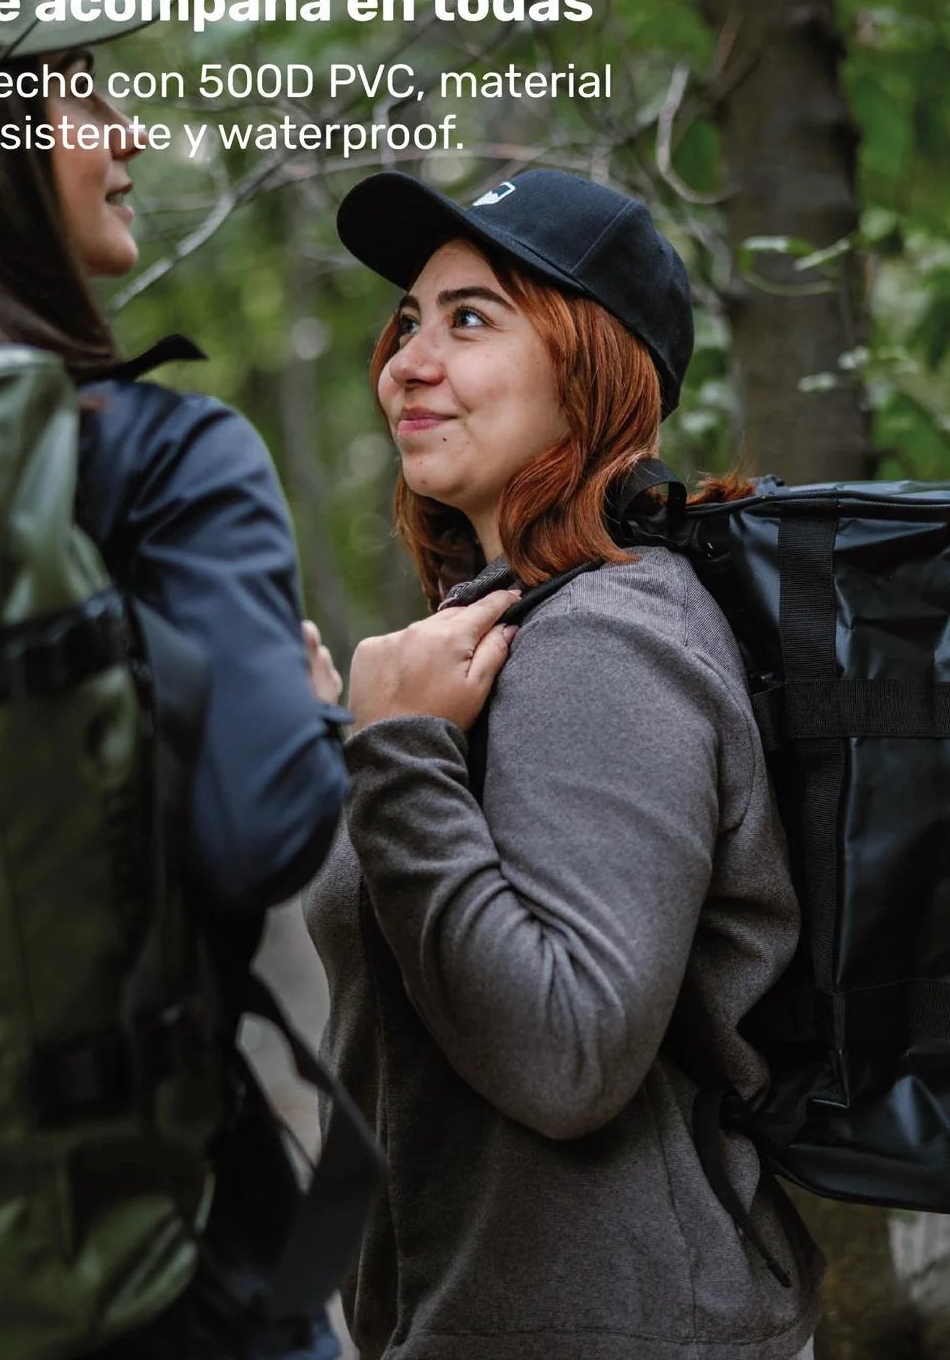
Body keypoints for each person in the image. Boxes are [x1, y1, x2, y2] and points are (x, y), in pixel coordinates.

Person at [0, 0, 512, 1359]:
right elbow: (260, 829)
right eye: (74, 92)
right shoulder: (151, 459)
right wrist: (362, 725)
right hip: (145, 1286)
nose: (123, 128)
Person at [306, 168, 824, 1360]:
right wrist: (345, 749)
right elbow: (416, 995)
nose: (407, 363)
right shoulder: (513, 633)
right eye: (408, 321)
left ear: (590, 369)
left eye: (470, 318)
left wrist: (395, 753)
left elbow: (567, 1052)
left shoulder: (608, 641)